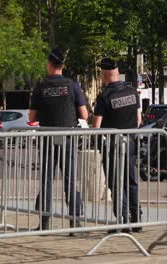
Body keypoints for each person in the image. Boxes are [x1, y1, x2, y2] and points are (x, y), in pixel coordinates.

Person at [29, 47, 89, 234]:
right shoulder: (72, 85)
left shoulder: (40, 86)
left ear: (49, 65)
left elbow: (31, 117)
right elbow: (84, 114)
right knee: (70, 179)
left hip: (46, 138)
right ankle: (74, 222)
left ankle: (45, 223)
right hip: (68, 137)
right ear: (63, 66)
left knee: (46, 180)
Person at [92, 58, 142, 233]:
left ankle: (122, 220)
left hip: (112, 146)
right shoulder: (131, 92)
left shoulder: (104, 97)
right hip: (130, 142)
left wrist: (98, 145)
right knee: (131, 181)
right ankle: (136, 218)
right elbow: (139, 120)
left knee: (116, 182)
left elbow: (96, 127)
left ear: (105, 74)